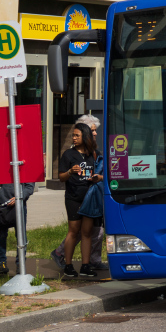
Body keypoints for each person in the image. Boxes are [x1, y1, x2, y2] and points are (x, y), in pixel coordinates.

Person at [51, 114, 104, 273]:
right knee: (73, 231)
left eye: (76, 135)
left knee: (87, 232)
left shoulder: (93, 154)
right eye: (73, 135)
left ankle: (86, 265)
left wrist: (97, 178)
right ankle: (68, 265)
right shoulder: (68, 154)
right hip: (73, 197)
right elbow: (61, 177)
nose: (73, 138)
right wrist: (70, 171)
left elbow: (102, 174)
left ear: (84, 136)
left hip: (89, 197)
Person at [0, 178, 35, 277]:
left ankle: (20, 263)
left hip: (19, 205)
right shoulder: (2, 164)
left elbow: (30, 187)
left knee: (21, 235)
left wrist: (19, 197)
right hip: (3, 205)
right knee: (1, 234)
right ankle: (1, 262)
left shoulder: (25, 165)